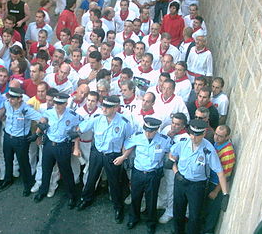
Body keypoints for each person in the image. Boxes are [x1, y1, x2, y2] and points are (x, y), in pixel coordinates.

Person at [77, 96, 133, 224]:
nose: (104, 109)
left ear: (115, 108)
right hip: (97, 153)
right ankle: (86, 199)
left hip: (113, 156)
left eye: (108, 107)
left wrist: (123, 157)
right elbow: (81, 127)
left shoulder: (124, 123)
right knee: (91, 178)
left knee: (114, 183)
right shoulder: (97, 118)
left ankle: (118, 207)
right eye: (103, 106)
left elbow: (130, 141)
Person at [169, 119, 230, 234]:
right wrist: (175, 171)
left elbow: (220, 172)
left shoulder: (208, 150)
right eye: (192, 134)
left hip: (196, 186)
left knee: (194, 215)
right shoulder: (183, 142)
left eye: (197, 135)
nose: (193, 138)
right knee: (178, 211)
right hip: (180, 181)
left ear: (204, 134)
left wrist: (225, 194)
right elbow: (172, 155)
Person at [33, 93, 82, 209]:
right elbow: (42, 122)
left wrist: (76, 137)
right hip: (49, 144)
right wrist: (38, 134)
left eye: (60, 104)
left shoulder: (72, 115)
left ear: (66, 103)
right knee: (46, 169)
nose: (57, 106)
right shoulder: (49, 112)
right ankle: (43, 191)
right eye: (56, 103)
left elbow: (81, 124)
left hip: (63, 145)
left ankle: (71, 195)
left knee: (66, 172)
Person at [126, 117, 171, 234]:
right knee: (135, 197)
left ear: (156, 130)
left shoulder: (164, 140)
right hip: (138, 172)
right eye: (146, 130)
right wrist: (123, 157)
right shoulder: (138, 136)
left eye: (150, 131)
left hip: (153, 174)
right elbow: (127, 145)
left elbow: (172, 151)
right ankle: (133, 218)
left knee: (151, 199)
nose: (147, 133)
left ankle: (151, 223)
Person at [0, 87, 43, 195]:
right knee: (8, 160)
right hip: (8, 136)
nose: (10, 100)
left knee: (23, 163)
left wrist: (37, 134)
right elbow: (1, 108)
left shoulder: (26, 110)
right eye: (9, 97)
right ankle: (8, 179)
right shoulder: (7, 104)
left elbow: (41, 119)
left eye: (13, 98)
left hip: (20, 140)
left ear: (20, 99)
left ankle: (27, 185)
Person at [203, 125, 235, 234]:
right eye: (216, 134)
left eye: (220, 136)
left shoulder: (228, 153)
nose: (216, 138)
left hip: (216, 185)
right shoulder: (217, 144)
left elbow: (225, 176)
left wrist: (216, 191)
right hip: (210, 180)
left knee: (212, 212)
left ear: (227, 137)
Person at [157, 113, 189, 224]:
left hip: (174, 165)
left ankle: (170, 211)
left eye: (177, 125)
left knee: (171, 187)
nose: (174, 126)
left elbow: (180, 154)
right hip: (162, 160)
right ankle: (162, 201)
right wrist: (167, 137)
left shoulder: (185, 138)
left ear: (183, 126)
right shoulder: (166, 129)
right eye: (173, 123)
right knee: (162, 182)